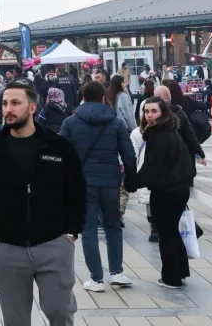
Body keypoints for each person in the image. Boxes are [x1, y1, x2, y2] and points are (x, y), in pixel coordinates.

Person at [0, 81, 86, 326]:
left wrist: (71, 233)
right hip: (6, 248)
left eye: (15, 103)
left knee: (59, 311)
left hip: (54, 243)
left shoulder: (58, 146)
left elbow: (76, 191)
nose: (8, 109)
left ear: (32, 107)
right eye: (4, 103)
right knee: (15, 320)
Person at [59, 81, 137, 291]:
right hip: (110, 181)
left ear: (82, 97)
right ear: (104, 97)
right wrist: (131, 178)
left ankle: (96, 278)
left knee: (88, 229)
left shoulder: (70, 122)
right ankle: (117, 272)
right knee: (113, 226)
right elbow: (128, 153)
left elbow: (60, 153)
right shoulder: (116, 122)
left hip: (83, 183)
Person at [134, 97, 195, 288]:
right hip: (179, 188)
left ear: (163, 113)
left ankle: (171, 277)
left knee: (166, 233)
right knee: (172, 231)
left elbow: (151, 167)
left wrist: (131, 183)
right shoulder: (171, 131)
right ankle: (180, 271)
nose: (149, 115)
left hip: (166, 191)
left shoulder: (158, 135)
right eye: (147, 111)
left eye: (154, 111)